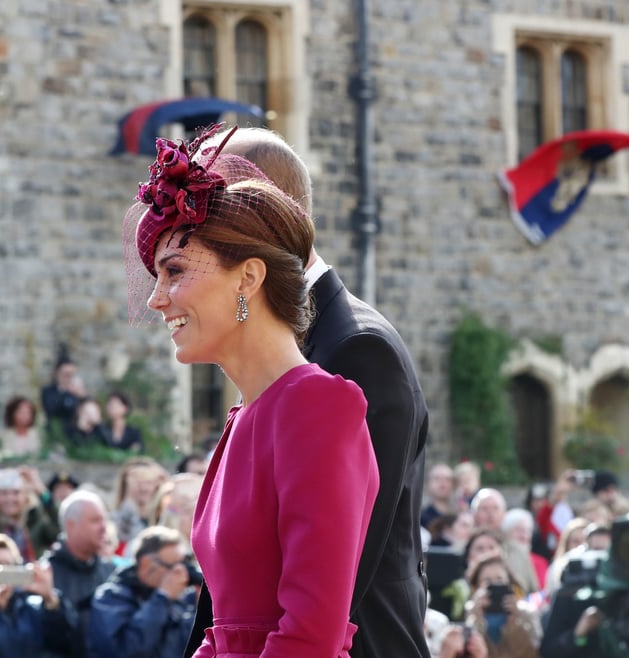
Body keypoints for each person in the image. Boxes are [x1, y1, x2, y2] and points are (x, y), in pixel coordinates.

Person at [125, 126, 380, 657]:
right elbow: (223, 633)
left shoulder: (317, 407)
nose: (156, 299)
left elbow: (311, 636)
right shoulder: (247, 416)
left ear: (248, 277)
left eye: (174, 271)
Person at [185, 125, 430, 658]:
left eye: (202, 218)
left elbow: (334, 588)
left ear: (263, 214)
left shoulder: (358, 350)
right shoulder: (261, 365)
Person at [89, 525, 198, 658]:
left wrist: (200, 607)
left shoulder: (179, 600)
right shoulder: (110, 597)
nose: (181, 574)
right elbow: (123, 651)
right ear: (146, 564)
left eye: (183, 565)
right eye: (173, 567)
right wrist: (162, 597)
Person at [0, 533, 80, 657]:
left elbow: (64, 643)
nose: (2, 571)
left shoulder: (31, 608)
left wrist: (51, 600)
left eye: (9, 565)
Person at [48, 490, 117, 654]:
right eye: (95, 521)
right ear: (71, 525)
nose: (103, 528)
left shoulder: (112, 573)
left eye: (104, 520)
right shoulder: (47, 575)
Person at [42, 354, 86, 438]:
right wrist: (65, 392)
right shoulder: (48, 391)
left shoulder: (76, 392)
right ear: (57, 373)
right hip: (55, 435)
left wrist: (83, 397)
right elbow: (51, 409)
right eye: (66, 374)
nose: (69, 378)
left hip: (75, 436)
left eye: (71, 374)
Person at [422, 463, 456, 530]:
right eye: (437, 478)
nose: (443, 484)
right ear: (428, 483)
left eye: (448, 479)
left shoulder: (461, 514)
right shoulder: (420, 518)